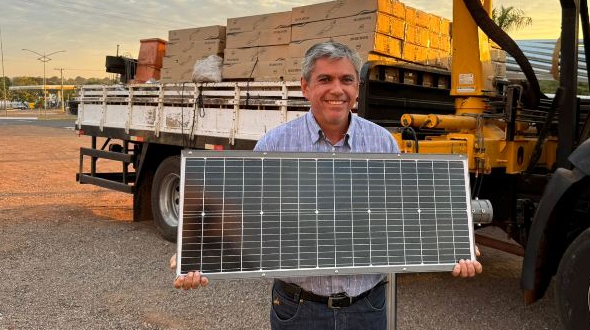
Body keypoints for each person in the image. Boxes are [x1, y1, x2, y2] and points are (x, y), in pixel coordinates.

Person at [172, 41, 482, 329]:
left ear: (357, 89)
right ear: (305, 87)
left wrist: (455, 241)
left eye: (347, 80)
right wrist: (194, 252)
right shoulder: (275, 145)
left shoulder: (382, 143)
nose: (338, 89)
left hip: (367, 308)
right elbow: (248, 216)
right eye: (325, 80)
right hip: (299, 309)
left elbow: (401, 211)